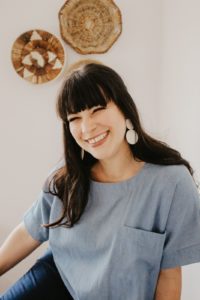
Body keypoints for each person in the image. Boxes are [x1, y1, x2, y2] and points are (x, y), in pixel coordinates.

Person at [1, 60, 200, 300]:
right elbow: (29, 231)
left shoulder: (171, 183)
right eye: (74, 118)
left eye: (97, 110)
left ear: (124, 108)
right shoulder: (66, 177)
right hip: (57, 277)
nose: (87, 127)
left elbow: (169, 273)